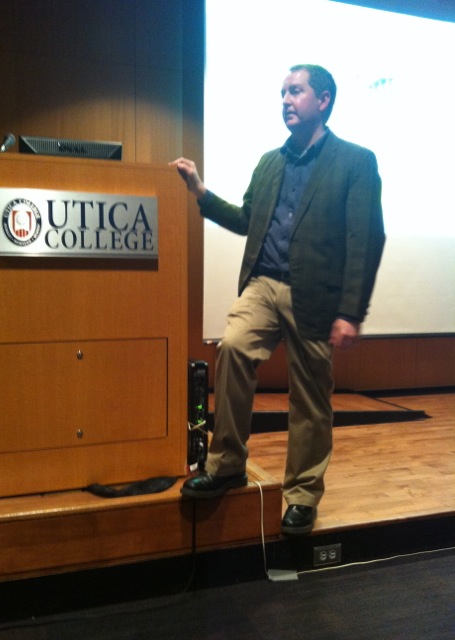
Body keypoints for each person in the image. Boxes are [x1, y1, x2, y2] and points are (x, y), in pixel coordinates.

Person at [171, 64, 385, 535]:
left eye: (296, 91)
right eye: (283, 92)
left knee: (310, 396)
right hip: (264, 283)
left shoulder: (355, 161)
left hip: (317, 294)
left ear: (323, 100)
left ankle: (303, 494)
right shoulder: (269, 162)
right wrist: (201, 192)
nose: (286, 100)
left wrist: (351, 311)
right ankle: (227, 465)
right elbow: (248, 219)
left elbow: (366, 239)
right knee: (233, 347)